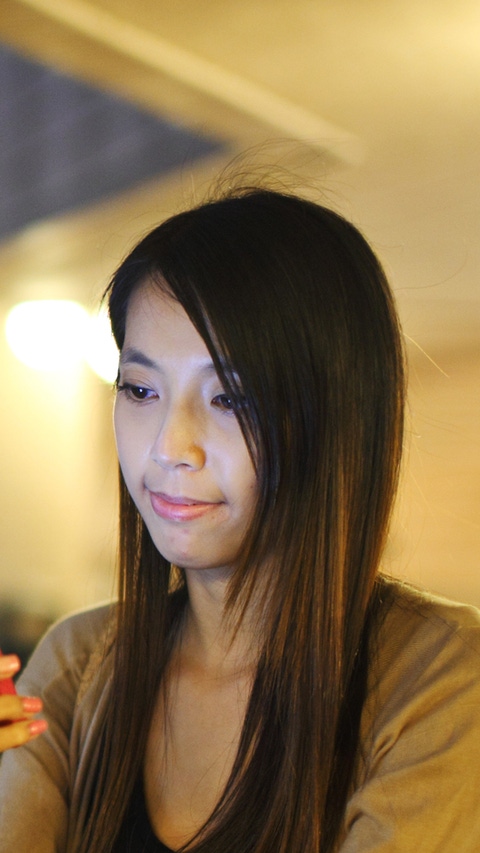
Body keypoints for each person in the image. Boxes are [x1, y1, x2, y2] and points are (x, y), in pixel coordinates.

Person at [0, 186, 479, 853]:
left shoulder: (438, 676)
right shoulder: (79, 665)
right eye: (140, 389)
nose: (170, 445)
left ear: (336, 420)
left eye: (230, 397)